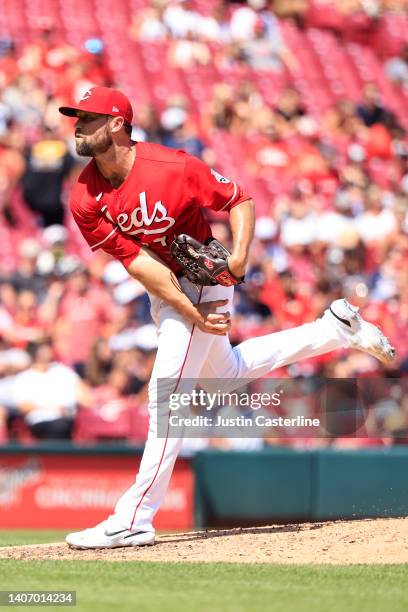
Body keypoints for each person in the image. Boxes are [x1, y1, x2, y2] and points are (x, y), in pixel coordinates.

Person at [58, 86, 395, 549]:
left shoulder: (172, 166)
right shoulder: (84, 196)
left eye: (88, 117)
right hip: (174, 290)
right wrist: (187, 310)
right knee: (225, 374)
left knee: (165, 396)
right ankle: (334, 328)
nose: (78, 124)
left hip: (205, 276)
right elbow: (140, 264)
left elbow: (240, 199)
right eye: (77, 116)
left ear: (118, 123)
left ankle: (135, 516)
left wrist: (237, 261)